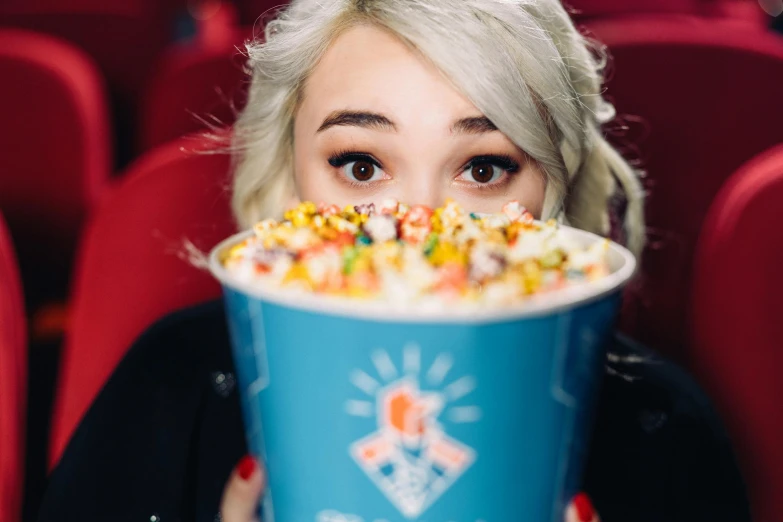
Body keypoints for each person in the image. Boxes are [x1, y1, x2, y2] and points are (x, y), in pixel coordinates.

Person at [37, 1, 750, 521]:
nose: (418, 226)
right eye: (359, 164)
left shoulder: (662, 425)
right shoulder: (170, 385)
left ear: (553, 190)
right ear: (290, 181)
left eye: (483, 169)